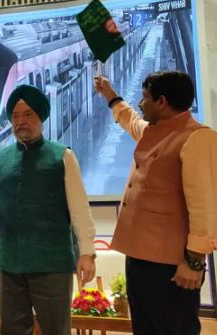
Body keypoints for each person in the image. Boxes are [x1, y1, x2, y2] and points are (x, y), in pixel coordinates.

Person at [94, 71, 217, 335]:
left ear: (161, 102)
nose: (140, 103)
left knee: (174, 328)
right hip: (141, 259)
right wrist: (111, 95)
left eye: (145, 97)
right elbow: (130, 121)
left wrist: (194, 262)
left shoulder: (197, 137)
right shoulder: (157, 132)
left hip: (171, 267)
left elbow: (204, 205)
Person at [0, 85, 97, 335]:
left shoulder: (62, 157)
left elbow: (79, 209)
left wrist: (87, 253)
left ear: (40, 117)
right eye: (16, 116)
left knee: (56, 330)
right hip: (10, 263)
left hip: (52, 264)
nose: (21, 121)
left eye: (28, 114)